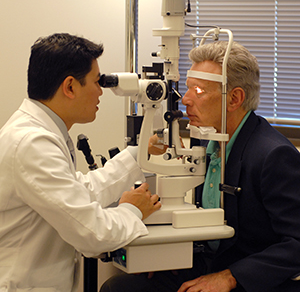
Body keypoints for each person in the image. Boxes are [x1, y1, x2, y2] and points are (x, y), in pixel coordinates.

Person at [100, 41, 300, 292]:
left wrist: (230, 277)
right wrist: (166, 252)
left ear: (235, 98)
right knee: (119, 288)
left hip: (246, 277)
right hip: (205, 263)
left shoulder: (273, 155)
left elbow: (296, 243)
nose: (186, 99)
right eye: (187, 89)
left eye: (199, 90)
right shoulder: (207, 140)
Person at [0, 33, 163, 292]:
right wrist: (132, 210)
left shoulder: (39, 132)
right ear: (70, 87)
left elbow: (80, 192)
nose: (101, 92)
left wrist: (139, 152)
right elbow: (92, 233)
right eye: (97, 82)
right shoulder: (32, 143)